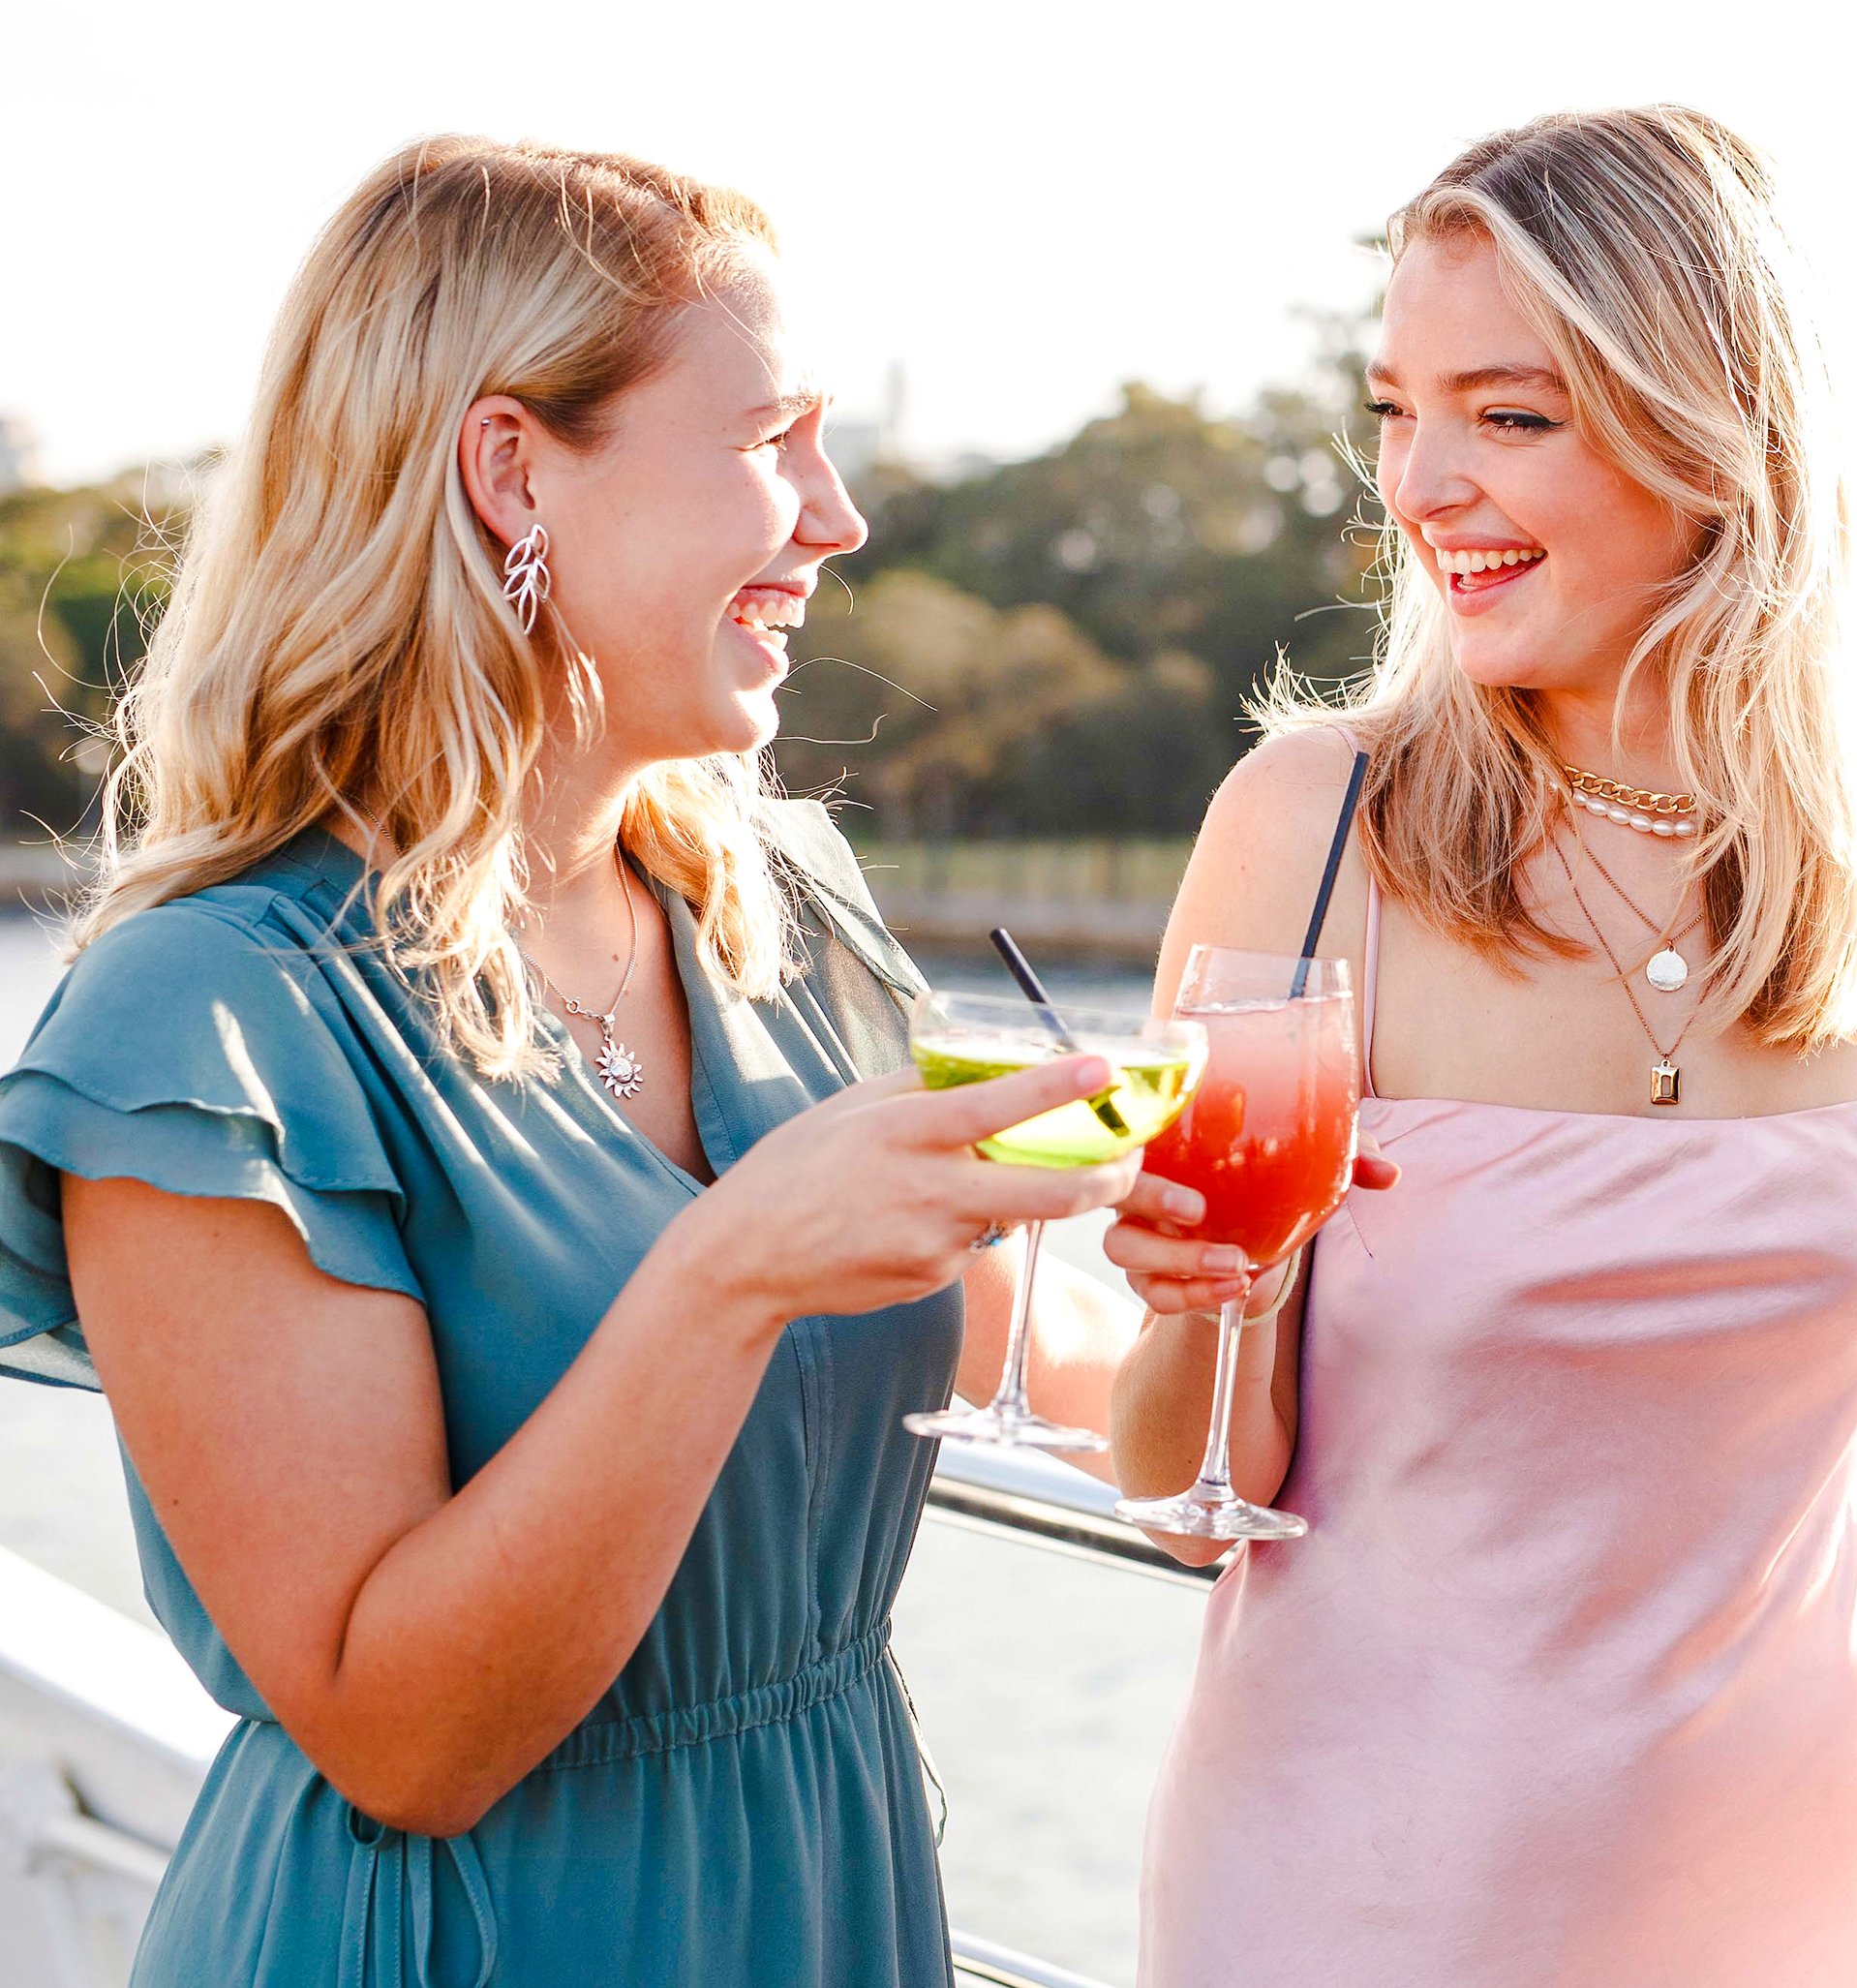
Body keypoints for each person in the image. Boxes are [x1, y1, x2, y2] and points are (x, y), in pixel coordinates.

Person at [0, 138, 1180, 1987]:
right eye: (772, 436)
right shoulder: (206, 1023)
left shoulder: (783, 906)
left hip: (824, 1907)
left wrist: (1207, 1255)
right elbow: (405, 1741)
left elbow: (1042, 1359)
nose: (839, 514)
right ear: (508, 467)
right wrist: (726, 1273)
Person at [1096, 106, 1857, 1983]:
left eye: (1507, 415)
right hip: (1341, 1899)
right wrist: (1203, 1286)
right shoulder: (1311, 829)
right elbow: (1189, 1483)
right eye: (1392, 408)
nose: (1418, 479)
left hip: (1784, 1893)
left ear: (1723, 433)